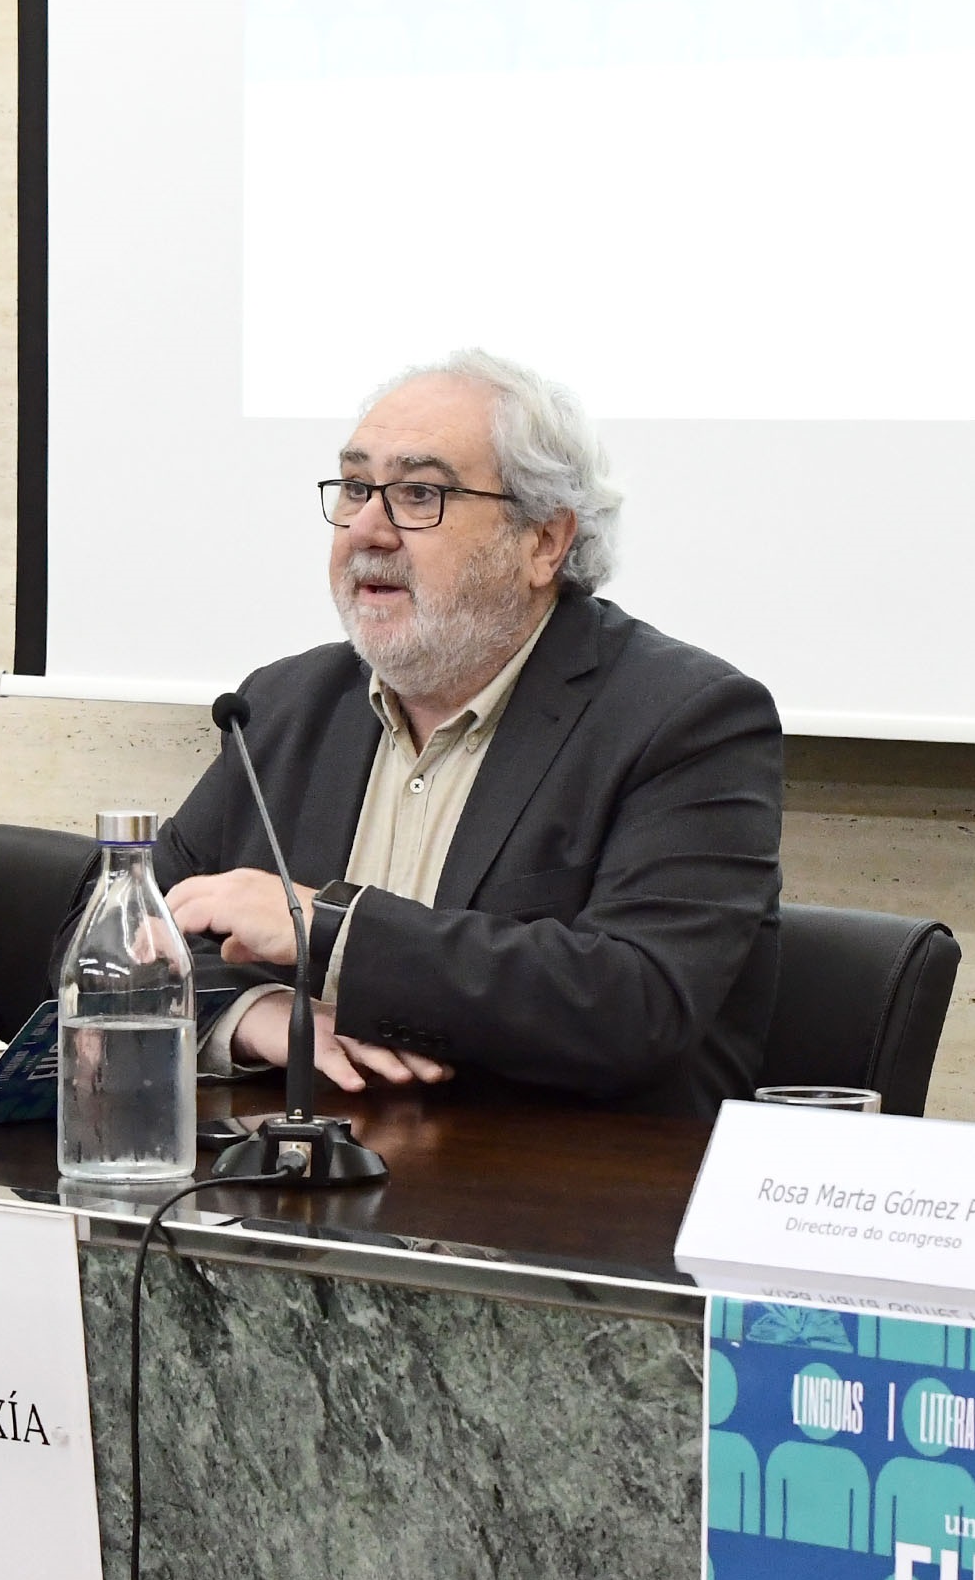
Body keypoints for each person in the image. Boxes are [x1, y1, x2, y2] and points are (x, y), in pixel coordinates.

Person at [154, 349, 785, 1116]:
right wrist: (247, 1012)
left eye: (419, 494)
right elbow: (111, 930)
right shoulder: (283, 704)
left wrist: (329, 929)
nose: (367, 529)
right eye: (354, 487)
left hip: (555, 1178)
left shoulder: (687, 720)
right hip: (308, 1170)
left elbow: (636, 1002)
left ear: (543, 542)